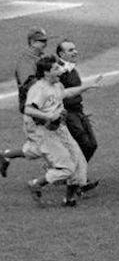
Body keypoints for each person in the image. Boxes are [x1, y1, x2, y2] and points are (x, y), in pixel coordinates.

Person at [24, 55, 101, 207]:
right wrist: (48, 115)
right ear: (46, 73)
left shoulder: (57, 85)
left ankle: (69, 199)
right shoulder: (39, 89)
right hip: (46, 133)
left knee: (79, 163)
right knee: (67, 168)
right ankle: (36, 183)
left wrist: (86, 87)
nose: (60, 71)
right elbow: (28, 109)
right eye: (56, 69)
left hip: (61, 129)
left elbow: (66, 93)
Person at [1, 27, 49, 178]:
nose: (45, 44)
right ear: (32, 42)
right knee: (42, 147)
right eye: (42, 41)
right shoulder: (26, 60)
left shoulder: (40, 57)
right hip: (34, 111)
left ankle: (7, 155)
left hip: (44, 109)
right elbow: (28, 84)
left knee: (51, 144)